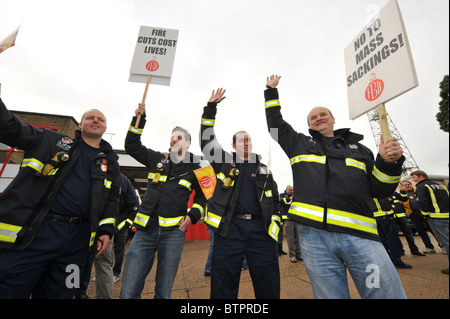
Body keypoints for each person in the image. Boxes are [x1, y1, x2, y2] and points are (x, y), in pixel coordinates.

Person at [264, 74, 407, 299]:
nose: (318, 118)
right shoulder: (298, 143)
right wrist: (270, 92)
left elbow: (381, 190)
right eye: (313, 117)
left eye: (323, 115)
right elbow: (275, 127)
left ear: (332, 119)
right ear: (309, 124)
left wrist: (389, 164)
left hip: (361, 235)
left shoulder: (361, 150)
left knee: (383, 293)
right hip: (314, 238)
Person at [0, 97, 121, 299]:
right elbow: (9, 127)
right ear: (81, 124)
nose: (95, 120)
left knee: (63, 293)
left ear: (105, 127)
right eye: (90, 117)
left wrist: (106, 231)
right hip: (36, 234)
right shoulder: (49, 141)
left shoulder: (111, 164)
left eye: (100, 119)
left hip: (77, 243)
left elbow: (111, 202)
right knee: (10, 290)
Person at [200, 88, 282, 299]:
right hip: (230, 230)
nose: (246, 143)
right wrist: (210, 109)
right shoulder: (225, 162)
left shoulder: (264, 169)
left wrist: (276, 222)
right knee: (223, 284)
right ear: (233, 145)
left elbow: (276, 201)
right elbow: (207, 141)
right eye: (241, 140)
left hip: (260, 231)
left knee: (268, 283)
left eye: (248, 140)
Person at [120, 103, 206, 299]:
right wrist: (138, 120)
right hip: (144, 232)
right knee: (129, 290)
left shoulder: (197, 168)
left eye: (179, 137)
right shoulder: (156, 159)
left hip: (174, 233)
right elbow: (131, 146)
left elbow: (203, 196)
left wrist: (192, 216)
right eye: (172, 136)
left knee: (164, 291)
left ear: (188, 143)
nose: (174, 139)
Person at [410, 170, 449, 274]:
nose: (413, 180)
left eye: (414, 177)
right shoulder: (440, 186)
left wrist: (425, 214)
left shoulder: (422, 186)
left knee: (446, 241)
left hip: (436, 218)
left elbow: (422, 202)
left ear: (421, 176)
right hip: (447, 215)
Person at [372, 197, 412, 269]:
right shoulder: (376, 188)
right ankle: (396, 261)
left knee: (382, 240)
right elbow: (382, 201)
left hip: (375, 218)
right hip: (385, 216)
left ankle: (387, 261)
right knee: (392, 240)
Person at [113, 173, 139, 282]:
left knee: (119, 248)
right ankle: (105, 272)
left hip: (121, 223)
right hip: (109, 221)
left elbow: (135, 205)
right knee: (106, 249)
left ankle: (116, 273)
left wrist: (126, 224)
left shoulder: (124, 181)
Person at [399, 180, 436, 253]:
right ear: (402, 187)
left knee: (432, 229)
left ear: (411, 184)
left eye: (408, 184)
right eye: (405, 185)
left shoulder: (418, 191)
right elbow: (401, 205)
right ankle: (429, 247)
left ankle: (443, 245)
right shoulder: (402, 195)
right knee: (421, 231)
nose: (407, 186)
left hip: (424, 212)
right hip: (413, 214)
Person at [391, 188, 425, 257]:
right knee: (395, 236)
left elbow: (404, 199)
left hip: (402, 217)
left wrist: (403, 191)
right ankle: (401, 251)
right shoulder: (381, 195)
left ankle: (414, 250)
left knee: (409, 234)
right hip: (392, 218)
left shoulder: (394, 193)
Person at [280, 185, 302, 263]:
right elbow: (282, 201)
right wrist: (289, 198)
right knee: (290, 238)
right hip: (288, 219)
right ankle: (292, 255)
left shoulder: (295, 196)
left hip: (296, 219)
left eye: (293, 190)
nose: (292, 192)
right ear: (286, 189)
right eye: (290, 190)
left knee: (298, 238)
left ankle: (298, 254)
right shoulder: (282, 195)